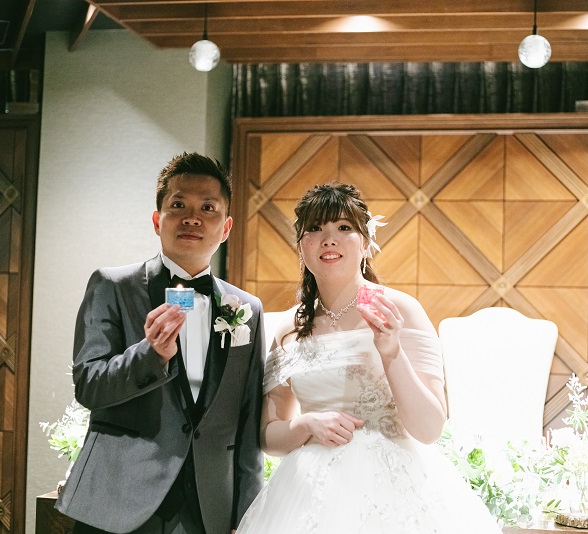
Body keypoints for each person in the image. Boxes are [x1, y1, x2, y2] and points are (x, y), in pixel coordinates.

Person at [236, 182, 502, 533]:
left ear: (365, 243)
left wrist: (392, 352)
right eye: (315, 228)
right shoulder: (289, 326)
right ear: (301, 247)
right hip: (307, 492)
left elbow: (429, 429)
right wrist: (306, 424)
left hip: (394, 486)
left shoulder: (400, 309)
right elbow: (268, 436)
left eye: (343, 227)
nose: (329, 239)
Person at [56, 153, 266, 534]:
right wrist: (150, 355)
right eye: (178, 205)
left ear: (226, 227)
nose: (192, 218)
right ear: (157, 221)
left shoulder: (246, 309)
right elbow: (88, 386)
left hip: (208, 512)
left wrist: (246, 515)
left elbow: (248, 423)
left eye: (208, 208)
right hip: (118, 504)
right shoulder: (112, 286)